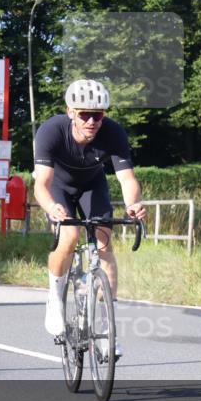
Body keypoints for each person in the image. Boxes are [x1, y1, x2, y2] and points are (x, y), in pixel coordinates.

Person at [33, 79, 147, 358]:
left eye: (98, 115)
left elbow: (127, 178)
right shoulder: (51, 131)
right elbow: (41, 184)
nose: (92, 121)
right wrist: (51, 208)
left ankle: (107, 332)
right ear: (71, 112)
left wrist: (134, 205)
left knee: (105, 244)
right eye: (85, 114)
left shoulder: (113, 133)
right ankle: (55, 298)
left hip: (92, 185)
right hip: (58, 187)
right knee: (69, 236)